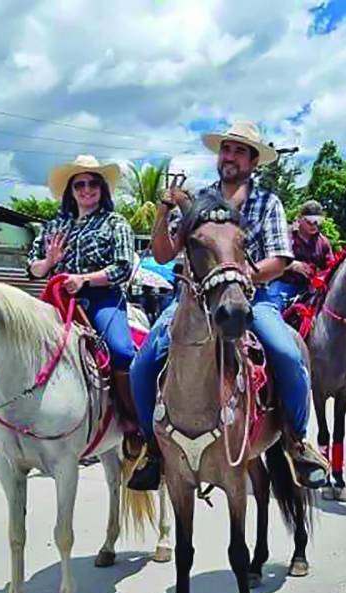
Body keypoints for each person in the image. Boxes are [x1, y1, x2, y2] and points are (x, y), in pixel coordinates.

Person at [130, 120, 330, 490]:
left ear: (254, 161)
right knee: (143, 361)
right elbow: (163, 251)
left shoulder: (268, 202)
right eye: (226, 149)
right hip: (194, 301)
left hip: (257, 298)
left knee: (286, 353)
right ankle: (152, 446)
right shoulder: (199, 199)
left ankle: (297, 441)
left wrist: (236, 279)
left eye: (240, 151)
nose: (230, 157)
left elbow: (279, 260)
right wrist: (162, 213)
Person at [27, 155, 140, 445]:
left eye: (93, 183)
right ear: (71, 190)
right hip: (58, 298)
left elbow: (123, 266)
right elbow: (32, 267)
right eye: (79, 184)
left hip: (101, 298)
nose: (86, 189)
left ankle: (132, 418)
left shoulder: (116, 223)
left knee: (121, 351)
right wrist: (48, 261)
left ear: (102, 189)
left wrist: (85, 279)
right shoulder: (53, 226)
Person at [270, 199, 335, 311]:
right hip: (284, 284)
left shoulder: (323, 242)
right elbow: (270, 259)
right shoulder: (286, 236)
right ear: (300, 219)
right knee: (272, 308)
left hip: (310, 289)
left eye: (317, 221)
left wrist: (319, 277)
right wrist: (292, 265)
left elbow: (331, 268)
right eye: (309, 221)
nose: (313, 224)